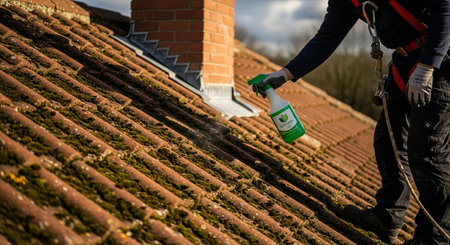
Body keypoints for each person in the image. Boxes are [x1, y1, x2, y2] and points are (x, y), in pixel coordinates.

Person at [251, 0, 450, 244]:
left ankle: (434, 238)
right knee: (388, 142)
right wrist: (285, 73)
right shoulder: (345, 1)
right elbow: (326, 39)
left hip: (439, 61)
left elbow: (444, 8)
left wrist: (428, 65)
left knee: (428, 152)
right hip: (404, 62)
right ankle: (388, 216)